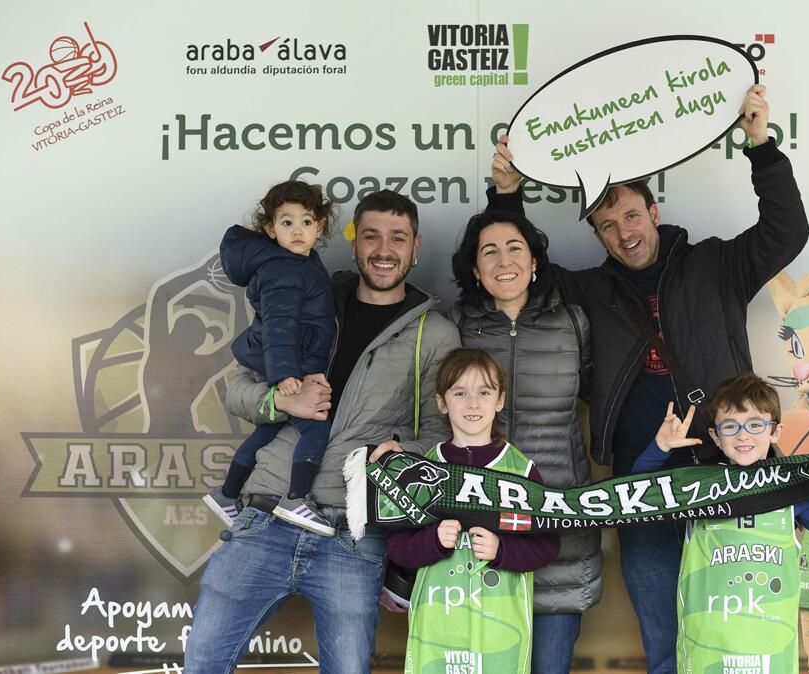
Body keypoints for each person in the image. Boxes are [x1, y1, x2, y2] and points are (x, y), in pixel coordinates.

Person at [488, 84, 809, 672]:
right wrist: (506, 197)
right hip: (646, 479)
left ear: (654, 212)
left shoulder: (716, 263)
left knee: (740, 636)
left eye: (631, 215)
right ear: (596, 235)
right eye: (607, 225)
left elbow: (787, 233)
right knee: (665, 644)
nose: (624, 232)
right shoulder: (591, 287)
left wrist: (761, 146)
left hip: (729, 469)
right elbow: (519, 270)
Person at [184, 190, 461, 674]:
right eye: (371, 235)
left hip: (351, 537)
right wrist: (280, 401)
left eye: (398, 238)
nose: (383, 249)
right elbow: (237, 390)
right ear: (352, 244)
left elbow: (443, 437)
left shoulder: (435, 334)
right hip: (263, 518)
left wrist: (399, 451)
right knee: (203, 663)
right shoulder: (306, 294)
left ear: (415, 248)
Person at [447, 210, 600, 673]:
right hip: (476, 524)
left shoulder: (574, 323)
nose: (503, 260)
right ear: (475, 270)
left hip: (556, 522)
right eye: (488, 251)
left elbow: (595, 395)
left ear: (535, 261)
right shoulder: (454, 325)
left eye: (515, 248)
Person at [632, 374, 809, 673]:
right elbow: (637, 498)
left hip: (768, 653)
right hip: (707, 649)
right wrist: (660, 447)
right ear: (716, 436)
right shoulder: (697, 486)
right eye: (731, 426)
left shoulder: (789, 487)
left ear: (775, 431)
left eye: (755, 424)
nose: (743, 436)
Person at [381, 348, 560, 674]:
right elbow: (396, 545)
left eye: (484, 392)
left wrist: (501, 549)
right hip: (437, 622)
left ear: (500, 400)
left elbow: (547, 544)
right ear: (441, 402)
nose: (473, 403)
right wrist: (432, 540)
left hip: (500, 625)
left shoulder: (520, 470)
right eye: (460, 392)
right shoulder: (422, 468)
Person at [204, 180, 338, 533]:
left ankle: (227, 493)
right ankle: (296, 498)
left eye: (306, 222)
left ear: (319, 227)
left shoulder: (300, 262)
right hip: (284, 365)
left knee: (267, 431)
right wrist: (284, 374)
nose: (298, 231)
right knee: (316, 427)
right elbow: (279, 325)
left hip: (292, 362)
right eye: (287, 222)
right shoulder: (284, 269)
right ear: (270, 228)